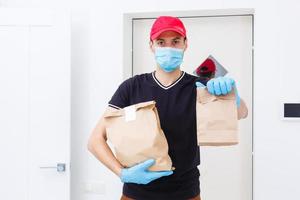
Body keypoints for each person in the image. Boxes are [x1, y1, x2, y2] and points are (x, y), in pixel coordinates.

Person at [87, 16, 248, 200]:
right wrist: (122, 174)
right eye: (161, 42)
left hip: (186, 192)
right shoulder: (131, 87)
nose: (168, 48)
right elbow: (95, 140)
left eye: (175, 41)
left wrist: (234, 97)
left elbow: (242, 113)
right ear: (151, 46)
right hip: (136, 193)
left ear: (185, 44)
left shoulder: (201, 86)